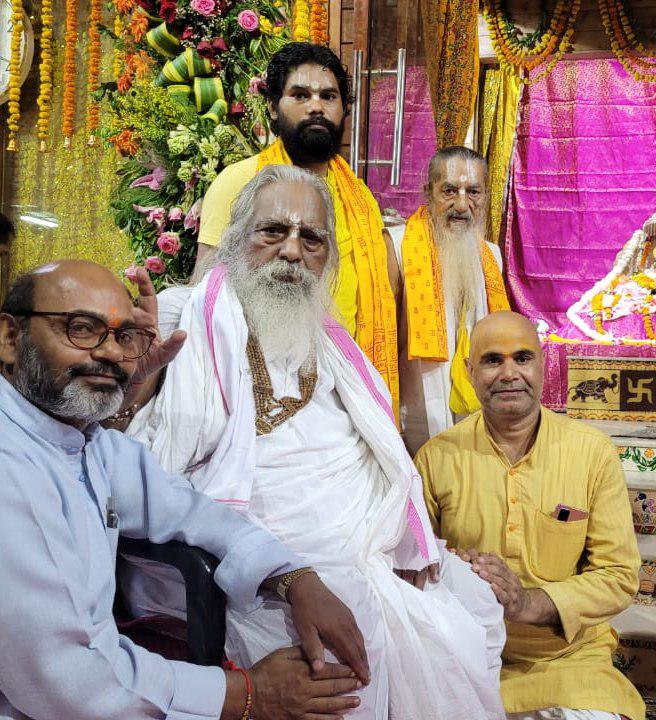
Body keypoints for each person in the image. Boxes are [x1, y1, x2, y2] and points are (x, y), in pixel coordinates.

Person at [123, 164, 506, 720]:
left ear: (328, 257)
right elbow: (117, 446)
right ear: (236, 240)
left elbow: (381, 449)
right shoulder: (183, 316)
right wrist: (137, 380)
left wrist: (405, 529)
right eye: (272, 231)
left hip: (362, 529)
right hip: (253, 536)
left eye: (311, 238)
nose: (292, 251)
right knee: (350, 631)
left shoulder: (329, 339)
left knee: (474, 605)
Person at [0, 259, 368, 720]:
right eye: (82, 329)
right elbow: (66, 681)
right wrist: (249, 695)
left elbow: (193, 512)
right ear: (10, 338)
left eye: (123, 336)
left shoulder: (86, 442)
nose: (112, 353)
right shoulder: (11, 469)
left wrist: (295, 576)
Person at [415, 311, 645, 720]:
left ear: (543, 364)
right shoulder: (437, 458)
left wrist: (527, 604)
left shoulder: (591, 452)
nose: (508, 373)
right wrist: (453, 572)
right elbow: (413, 569)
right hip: (467, 657)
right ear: (469, 371)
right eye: (492, 360)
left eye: (522, 358)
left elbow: (618, 576)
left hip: (570, 661)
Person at [194, 42, 400, 411]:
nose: (316, 106)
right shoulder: (239, 181)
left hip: (345, 390)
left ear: (343, 108)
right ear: (273, 106)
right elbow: (204, 293)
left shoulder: (360, 200)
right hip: (254, 388)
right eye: (300, 95)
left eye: (328, 95)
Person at [392, 146, 510, 454]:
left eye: (473, 191)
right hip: (414, 425)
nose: (461, 204)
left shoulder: (491, 256)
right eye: (449, 191)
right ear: (428, 193)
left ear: (485, 196)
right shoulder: (397, 247)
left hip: (474, 419)